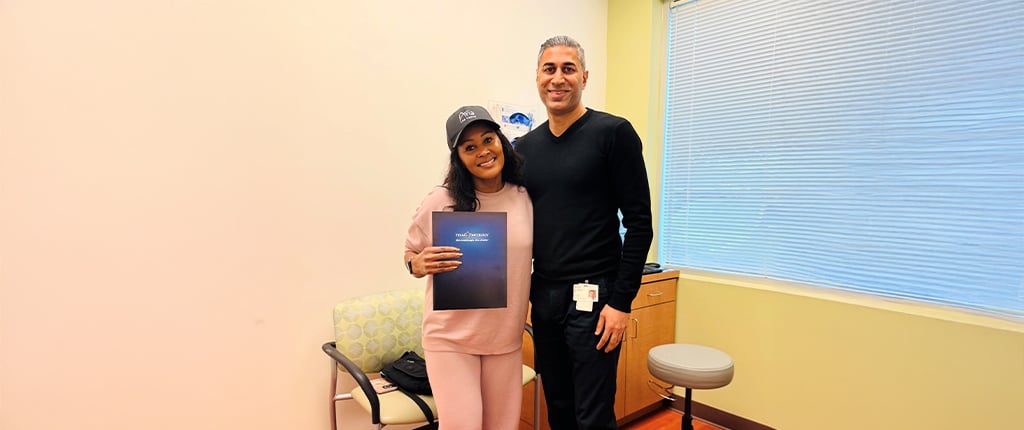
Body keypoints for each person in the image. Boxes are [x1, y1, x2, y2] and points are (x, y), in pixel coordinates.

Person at [514, 35, 654, 430]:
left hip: (597, 297)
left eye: (568, 69)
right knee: (558, 405)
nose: (558, 79)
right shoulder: (524, 148)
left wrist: (622, 302)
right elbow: (506, 219)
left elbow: (639, 224)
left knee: (591, 415)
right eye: (549, 69)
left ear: (584, 77)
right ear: (537, 78)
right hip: (544, 296)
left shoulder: (613, 134)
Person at [403, 105, 533, 430]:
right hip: (451, 339)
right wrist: (417, 264)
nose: (483, 152)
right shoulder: (441, 200)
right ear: (458, 157)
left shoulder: (525, 197)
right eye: (469, 147)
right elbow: (410, 253)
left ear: (501, 141)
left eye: (488, 140)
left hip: (505, 338)